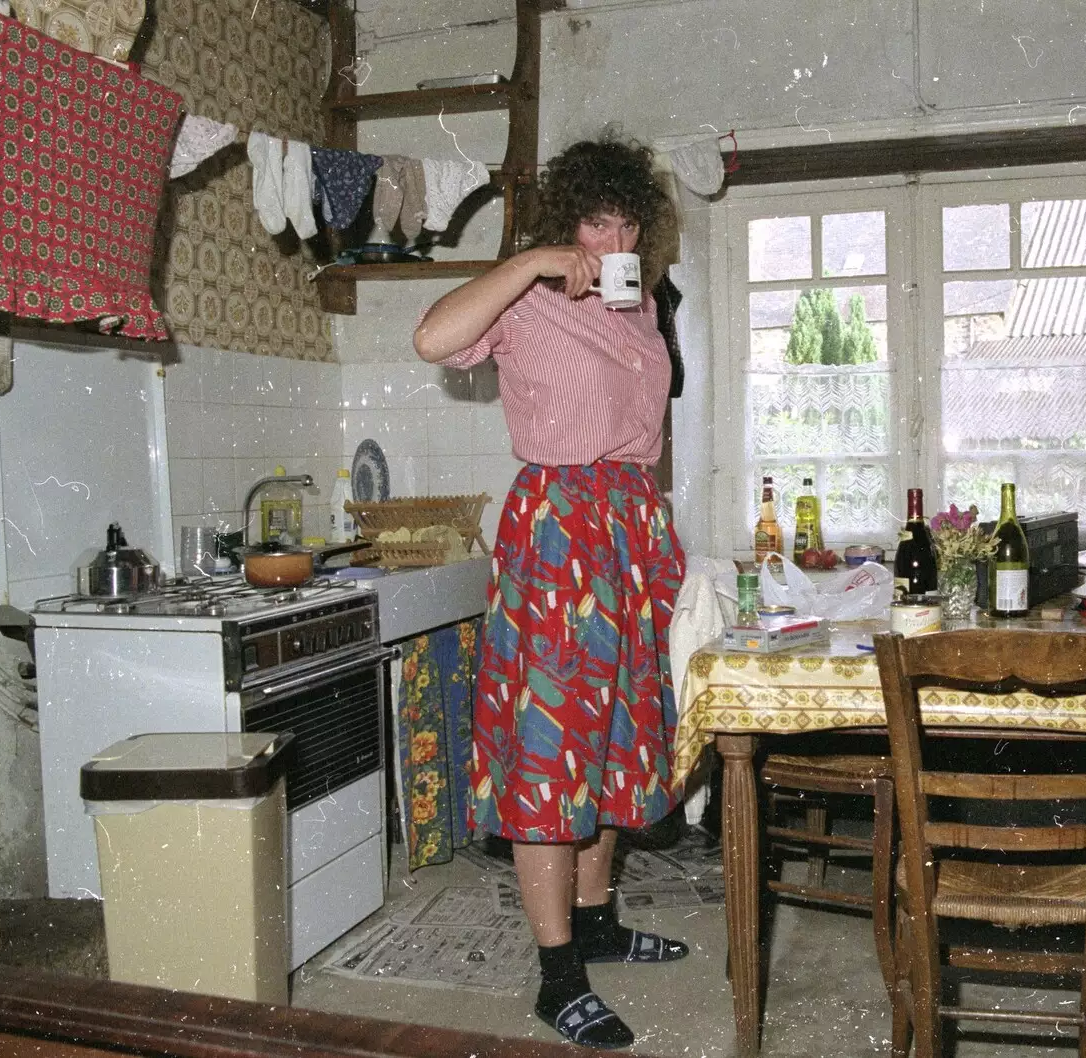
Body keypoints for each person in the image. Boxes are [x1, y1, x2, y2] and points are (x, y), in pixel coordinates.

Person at [412, 133, 688, 1050]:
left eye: (626, 221)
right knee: (551, 748)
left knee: (613, 737)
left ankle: (600, 922)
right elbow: (432, 338)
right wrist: (530, 262)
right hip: (562, 525)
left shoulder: (641, 305)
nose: (613, 237)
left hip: (629, 527)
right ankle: (556, 975)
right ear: (566, 222)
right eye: (595, 220)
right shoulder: (525, 299)